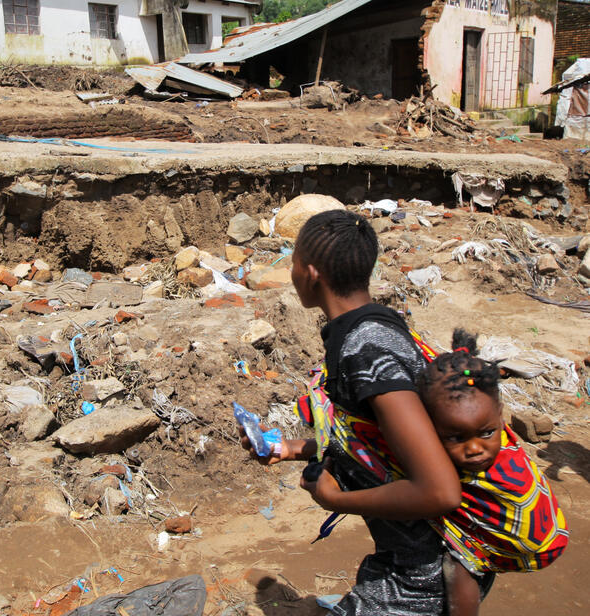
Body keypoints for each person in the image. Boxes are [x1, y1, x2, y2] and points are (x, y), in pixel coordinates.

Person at [243, 209, 464, 615]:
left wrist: (336, 499)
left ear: (311, 273)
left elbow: (440, 491)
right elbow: (384, 443)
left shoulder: (366, 350)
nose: (291, 274)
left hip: (423, 574)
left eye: (291, 263)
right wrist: (293, 448)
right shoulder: (373, 328)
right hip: (409, 561)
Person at [418, 330, 568, 616]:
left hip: (538, 537)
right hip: (537, 536)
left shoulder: (498, 455)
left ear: (500, 415)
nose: (475, 449)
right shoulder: (484, 419)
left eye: (486, 432)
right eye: (455, 438)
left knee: (460, 563)